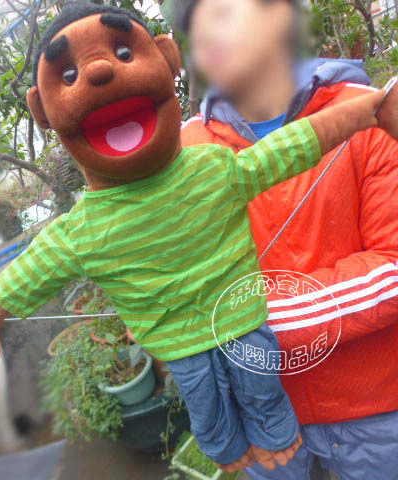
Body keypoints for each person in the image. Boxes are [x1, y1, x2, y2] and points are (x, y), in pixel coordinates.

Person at [176, 0, 398, 478]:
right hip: (264, 410)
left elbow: (394, 267)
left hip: (374, 402)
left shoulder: (368, 113)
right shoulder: (187, 150)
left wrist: (250, 320)